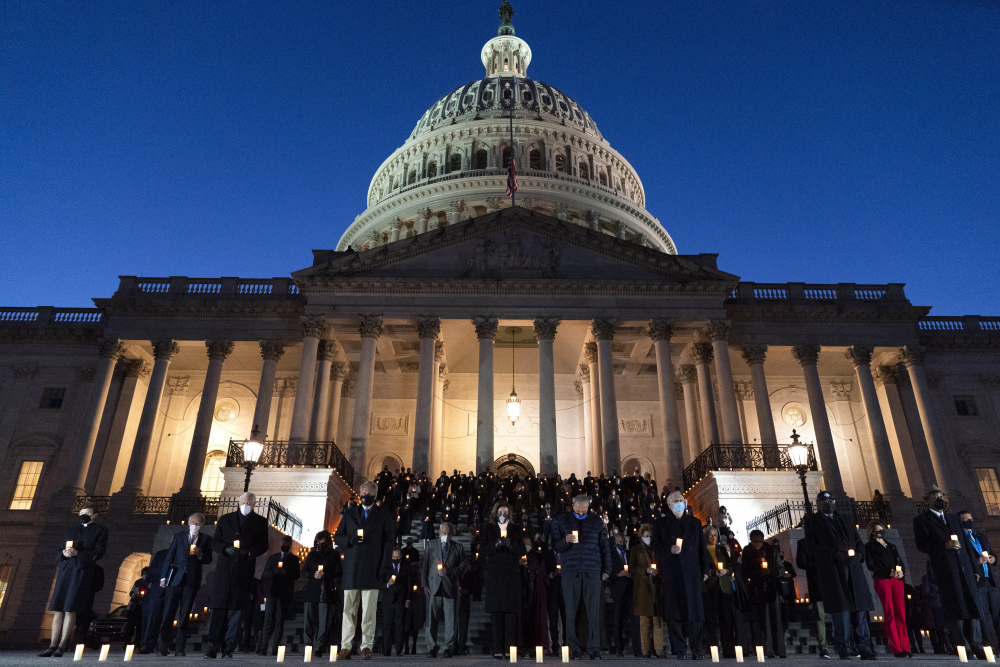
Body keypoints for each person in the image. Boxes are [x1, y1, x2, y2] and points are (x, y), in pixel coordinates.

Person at [913, 486, 985, 659]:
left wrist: (975, 569)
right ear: (927, 501)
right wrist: (944, 546)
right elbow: (922, 545)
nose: (940, 499)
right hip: (946, 570)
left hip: (965, 569)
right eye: (935, 497)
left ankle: (976, 644)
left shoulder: (953, 519)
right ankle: (962, 645)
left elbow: (967, 545)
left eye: (941, 496)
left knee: (971, 605)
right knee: (955, 607)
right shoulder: (922, 520)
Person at [804, 490, 876, 660]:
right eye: (824, 503)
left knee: (860, 608)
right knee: (841, 609)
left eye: (831, 501)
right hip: (834, 570)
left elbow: (858, 541)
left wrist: (859, 555)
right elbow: (811, 546)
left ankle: (864, 646)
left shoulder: (845, 519)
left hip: (853, 568)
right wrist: (834, 554)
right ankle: (843, 646)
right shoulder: (813, 521)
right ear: (819, 505)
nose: (829, 505)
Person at [334, 480, 395, 660]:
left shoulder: (383, 514)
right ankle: (346, 646)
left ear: (375, 495)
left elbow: (388, 541)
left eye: (369, 492)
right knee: (348, 610)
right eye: (363, 492)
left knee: (369, 611)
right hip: (352, 567)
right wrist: (350, 540)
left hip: (373, 567)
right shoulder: (350, 513)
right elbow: (338, 536)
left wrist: (385, 566)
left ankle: (366, 646)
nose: (365, 495)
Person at [205, 492, 269, 659]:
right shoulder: (225, 519)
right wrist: (225, 548)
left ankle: (228, 649)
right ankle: (211, 648)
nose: (245, 504)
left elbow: (263, 545)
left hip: (243, 571)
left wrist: (249, 552)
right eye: (243, 501)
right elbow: (215, 541)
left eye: (249, 502)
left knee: (236, 612)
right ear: (239, 502)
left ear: (254, 504)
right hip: (224, 571)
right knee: (218, 611)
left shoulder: (260, 522)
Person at [40, 502, 109, 657]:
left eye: (87, 512)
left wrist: (78, 553)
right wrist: (64, 554)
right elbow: (60, 550)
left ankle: (63, 645)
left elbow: (99, 553)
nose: (83, 515)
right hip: (66, 571)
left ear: (95, 515)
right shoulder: (72, 530)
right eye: (82, 512)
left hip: (81, 572)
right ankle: (52, 645)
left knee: (71, 608)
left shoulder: (100, 530)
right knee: (58, 608)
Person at [551, 494, 611, 659]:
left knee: (593, 611)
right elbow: (555, 545)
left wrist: (607, 569)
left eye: (584, 511)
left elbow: (604, 545)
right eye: (578, 510)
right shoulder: (562, 520)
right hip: (570, 570)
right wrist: (565, 541)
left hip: (592, 569)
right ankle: (572, 647)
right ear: (573, 506)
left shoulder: (597, 521)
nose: (581, 513)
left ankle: (594, 647)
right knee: (570, 611)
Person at [651, 490, 708, 660]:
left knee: (695, 613)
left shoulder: (696, 523)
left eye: (682, 500)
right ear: (669, 505)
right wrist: (668, 549)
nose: (680, 503)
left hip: (691, 572)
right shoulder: (661, 523)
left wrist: (705, 570)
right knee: (675, 611)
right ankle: (680, 649)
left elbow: (701, 549)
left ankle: (697, 649)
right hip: (672, 571)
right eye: (676, 501)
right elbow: (655, 544)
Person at [158, 512, 213, 656]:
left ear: (202, 524)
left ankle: (179, 649)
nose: (195, 525)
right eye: (193, 522)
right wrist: (163, 577)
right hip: (175, 578)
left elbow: (209, 559)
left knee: (184, 615)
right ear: (188, 522)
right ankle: (163, 647)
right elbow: (169, 557)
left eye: (198, 523)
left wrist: (200, 554)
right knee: (168, 613)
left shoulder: (206, 539)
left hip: (191, 580)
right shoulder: (178, 537)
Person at [479, 501, 523, 659]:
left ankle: (508, 649)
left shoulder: (516, 529)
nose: (502, 515)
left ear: (509, 514)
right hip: (495, 578)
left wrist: (510, 546)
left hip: (511, 577)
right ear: (495, 513)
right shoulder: (489, 528)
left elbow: (522, 550)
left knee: (510, 617)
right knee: (497, 616)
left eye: (505, 512)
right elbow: (482, 549)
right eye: (500, 512)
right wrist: (496, 545)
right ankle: (497, 649)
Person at [421, 521, 467, 658]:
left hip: (450, 587)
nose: (446, 536)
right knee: (431, 619)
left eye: (448, 534)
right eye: (443, 533)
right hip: (433, 587)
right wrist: (424, 584)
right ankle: (431, 647)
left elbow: (464, 566)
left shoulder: (458, 547)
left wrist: (450, 571)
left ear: (452, 534)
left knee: (451, 619)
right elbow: (424, 566)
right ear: (439, 533)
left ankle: (448, 647)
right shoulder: (431, 545)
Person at [864, 521, 910, 657]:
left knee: (901, 613)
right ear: (872, 532)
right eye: (878, 530)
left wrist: (902, 573)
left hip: (897, 580)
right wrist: (887, 572)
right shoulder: (870, 546)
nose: (880, 532)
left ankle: (906, 646)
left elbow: (900, 562)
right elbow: (871, 565)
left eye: (881, 529)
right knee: (890, 612)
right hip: (882, 579)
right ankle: (896, 647)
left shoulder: (892, 546)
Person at [958, 510, 1000, 649]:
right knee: (983, 617)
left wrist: (993, 559)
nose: (969, 521)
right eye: (965, 519)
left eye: (970, 518)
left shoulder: (981, 536)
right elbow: (962, 561)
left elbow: (993, 553)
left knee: (997, 616)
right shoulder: (961, 540)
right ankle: (989, 645)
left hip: (991, 581)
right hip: (978, 583)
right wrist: (977, 561)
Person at [742, 530, 785, 658]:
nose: (758, 544)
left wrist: (771, 572)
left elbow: (780, 568)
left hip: (772, 589)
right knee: (763, 622)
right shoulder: (748, 551)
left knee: (777, 621)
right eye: (755, 542)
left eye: (760, 541)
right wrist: (759, 573)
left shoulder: (772, 550)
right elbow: (745, 570)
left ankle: (780, 650)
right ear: (751, 540)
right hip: (758, 590)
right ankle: (768, 649)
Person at [260, 535, 300, 655]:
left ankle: (274, 647)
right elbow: (265, 574)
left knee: (279, 621)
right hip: (272, 591)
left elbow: (297, 575)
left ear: (290, 545)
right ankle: (263, 647)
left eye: (287, 544)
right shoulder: (273, 558)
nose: (285, 545)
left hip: (284, 593)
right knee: (268, 620)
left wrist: (285, 573)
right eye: (283, 543)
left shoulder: (294, 559)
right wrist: (274, 572)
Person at [303, 531, 342, 658]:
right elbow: (304, 571)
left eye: (324, 543)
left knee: (323, 621)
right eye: (319, 543)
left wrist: (326, 574)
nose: (321, 545)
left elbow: (338, 572)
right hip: (312, 590)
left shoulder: (334, 555)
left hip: (326, 591)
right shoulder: (312, 554)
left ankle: (319, 646)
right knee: (308, 619)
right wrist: (313, 574)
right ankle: (308, 644)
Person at [630, 523, 664, 658]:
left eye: (650, 536)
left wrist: (658, 572)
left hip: (656, 587)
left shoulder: (657, 549)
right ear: (641, 537)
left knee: (658, 620)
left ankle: (659, 650)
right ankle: (645, 650)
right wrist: (646, 570)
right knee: (644, 620)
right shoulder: (635, 550)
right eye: (646, 536)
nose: (648, 538)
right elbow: (632, 568)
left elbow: (663, 565)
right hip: (643, 588)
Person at [795, 534, 829, 658]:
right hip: (817, 584)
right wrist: (817, 564)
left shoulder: (827, 540)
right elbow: (801, 562)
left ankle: (845, 643)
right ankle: (823, 646)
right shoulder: (804, 543)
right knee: (820, 617)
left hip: (832, 583)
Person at [703, 525, 735, 659]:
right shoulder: (702, 550)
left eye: (715, 535)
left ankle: (728, 649)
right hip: (710, 588)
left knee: (727, 620)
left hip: (724, 587)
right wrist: (712, 572)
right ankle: (712, 649)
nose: (713, 537)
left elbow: (731, 565)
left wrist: (727, 571)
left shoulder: (722, 549)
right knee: (710, 620)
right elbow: (700, 567)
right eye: (710, 535)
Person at [608, 532, 633, 656]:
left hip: (630, 589)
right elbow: (608, 572)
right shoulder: (611, 555)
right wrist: (618, 574)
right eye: (619, 543)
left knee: (633, 619)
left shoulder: (629, 554)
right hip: (618, 589)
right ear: (615, 543)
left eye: (623, 542)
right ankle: (619, 647)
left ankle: (637, 647)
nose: (622, 544)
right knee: (618, 619)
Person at [139, 548, 168, 654]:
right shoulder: (162, 554)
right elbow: (151, 571)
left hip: (174, 591)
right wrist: (166, 571)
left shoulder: (186, 553)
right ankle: (147, 644)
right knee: (151, 618)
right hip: (157, 591)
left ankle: (163, 645)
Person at [381, 548, 410, 657]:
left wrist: (408, 599)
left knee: (400, 626)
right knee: (387, 626)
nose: (396, 559)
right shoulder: (386, 568)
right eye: (394, 557)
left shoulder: (406, 567)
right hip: (388, 601)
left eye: (397, 557)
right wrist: (388, 584)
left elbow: (409, 584)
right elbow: (381, 583)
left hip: (400, 600)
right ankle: (386, 649)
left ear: (401, 556)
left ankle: (399, 649)